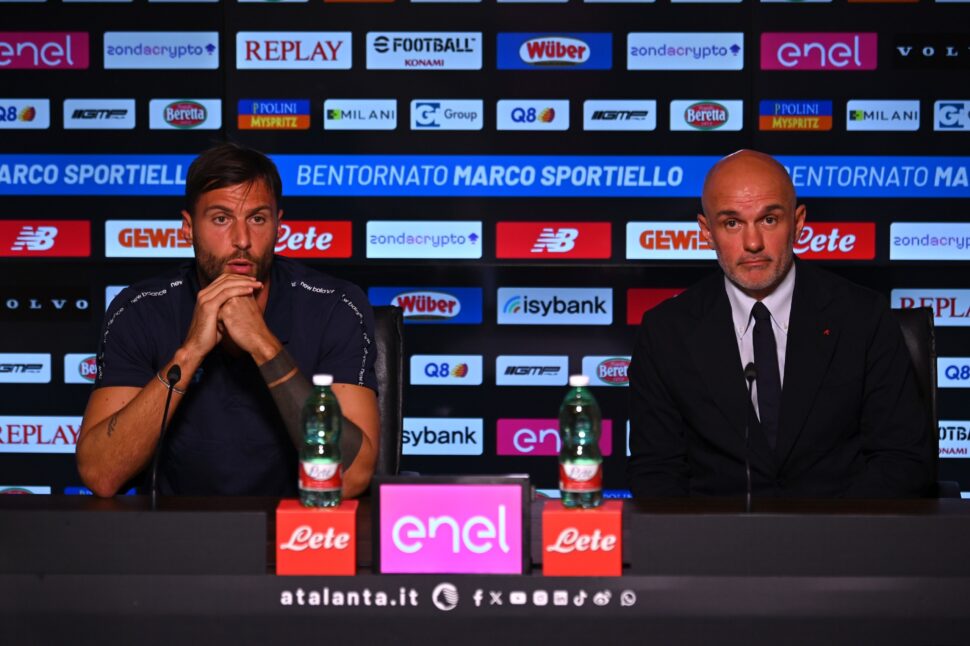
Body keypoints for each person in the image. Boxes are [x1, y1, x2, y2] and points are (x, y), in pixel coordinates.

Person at [76, 143, 380, 498]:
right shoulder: (140, 310)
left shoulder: (335, 306)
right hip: (176, 529)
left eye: (257, 219)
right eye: (221, 219)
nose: (242, 240)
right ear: (188, 227)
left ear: (279, 225)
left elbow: (352, 477)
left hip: (297, 526)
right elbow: (101, 475)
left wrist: (263, 344)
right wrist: (190, 353)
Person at [627, 150, 934, 498]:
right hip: (715, 531)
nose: (753, 243)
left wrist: (828, 528)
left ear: (798, 222)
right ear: (707, 231)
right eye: (732, 223)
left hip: (842, 528)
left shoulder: (864, 317)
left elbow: (902, 460)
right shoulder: (666, 332)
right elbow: (655, 473)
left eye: (769, 219)